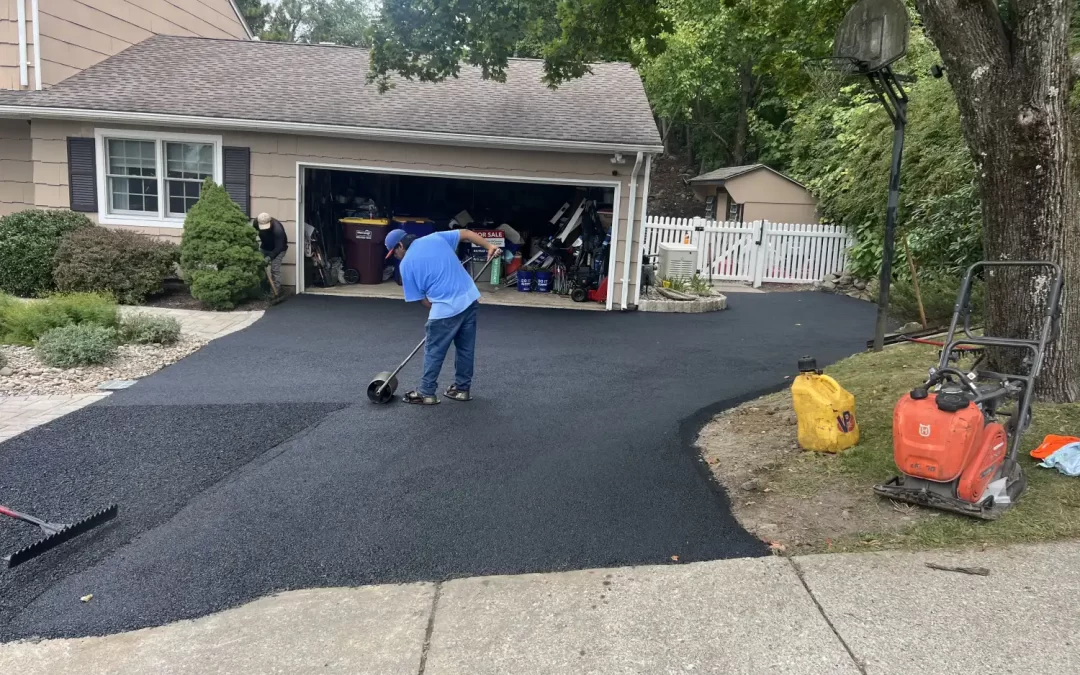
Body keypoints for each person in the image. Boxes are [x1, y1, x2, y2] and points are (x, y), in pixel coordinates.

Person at [385, 228, 500, 405]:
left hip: (445, 309)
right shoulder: (436, 238)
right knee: (465, 349)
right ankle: (462, 390)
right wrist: (489, 246)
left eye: (395, 252)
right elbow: (467, 233)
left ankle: (426, 393)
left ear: (401, 245)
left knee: (434, 351)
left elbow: (421, 300)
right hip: (469, 300)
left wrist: (439, 308)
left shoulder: (406, 265)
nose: (396, 256)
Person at [254, 212, 288, 293]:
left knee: (274, 269)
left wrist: (269, 257)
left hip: (279, 249)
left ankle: (275, 292)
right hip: (265, 247)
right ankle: (264, 290)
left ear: (270, 221)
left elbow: (279, 247)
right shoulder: (256, 222)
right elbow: (253, 234)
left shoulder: (278, 229)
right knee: (260, 267)